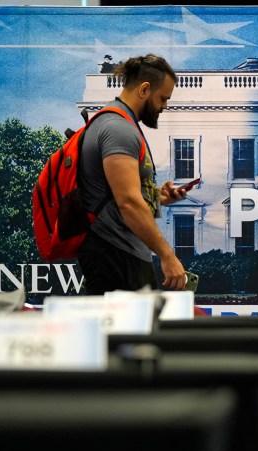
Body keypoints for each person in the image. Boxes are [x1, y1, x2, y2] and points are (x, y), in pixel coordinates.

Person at [77, 53, 188, 294]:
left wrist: (157, 196)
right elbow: (128, 202)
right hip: (117, 257)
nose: (165, 106)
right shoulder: (119, 129)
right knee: (127, 331)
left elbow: (115, 193)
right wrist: (168, 256)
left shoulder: (119, 124)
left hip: (119, 255)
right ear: (144, 89)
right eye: (163, 98)